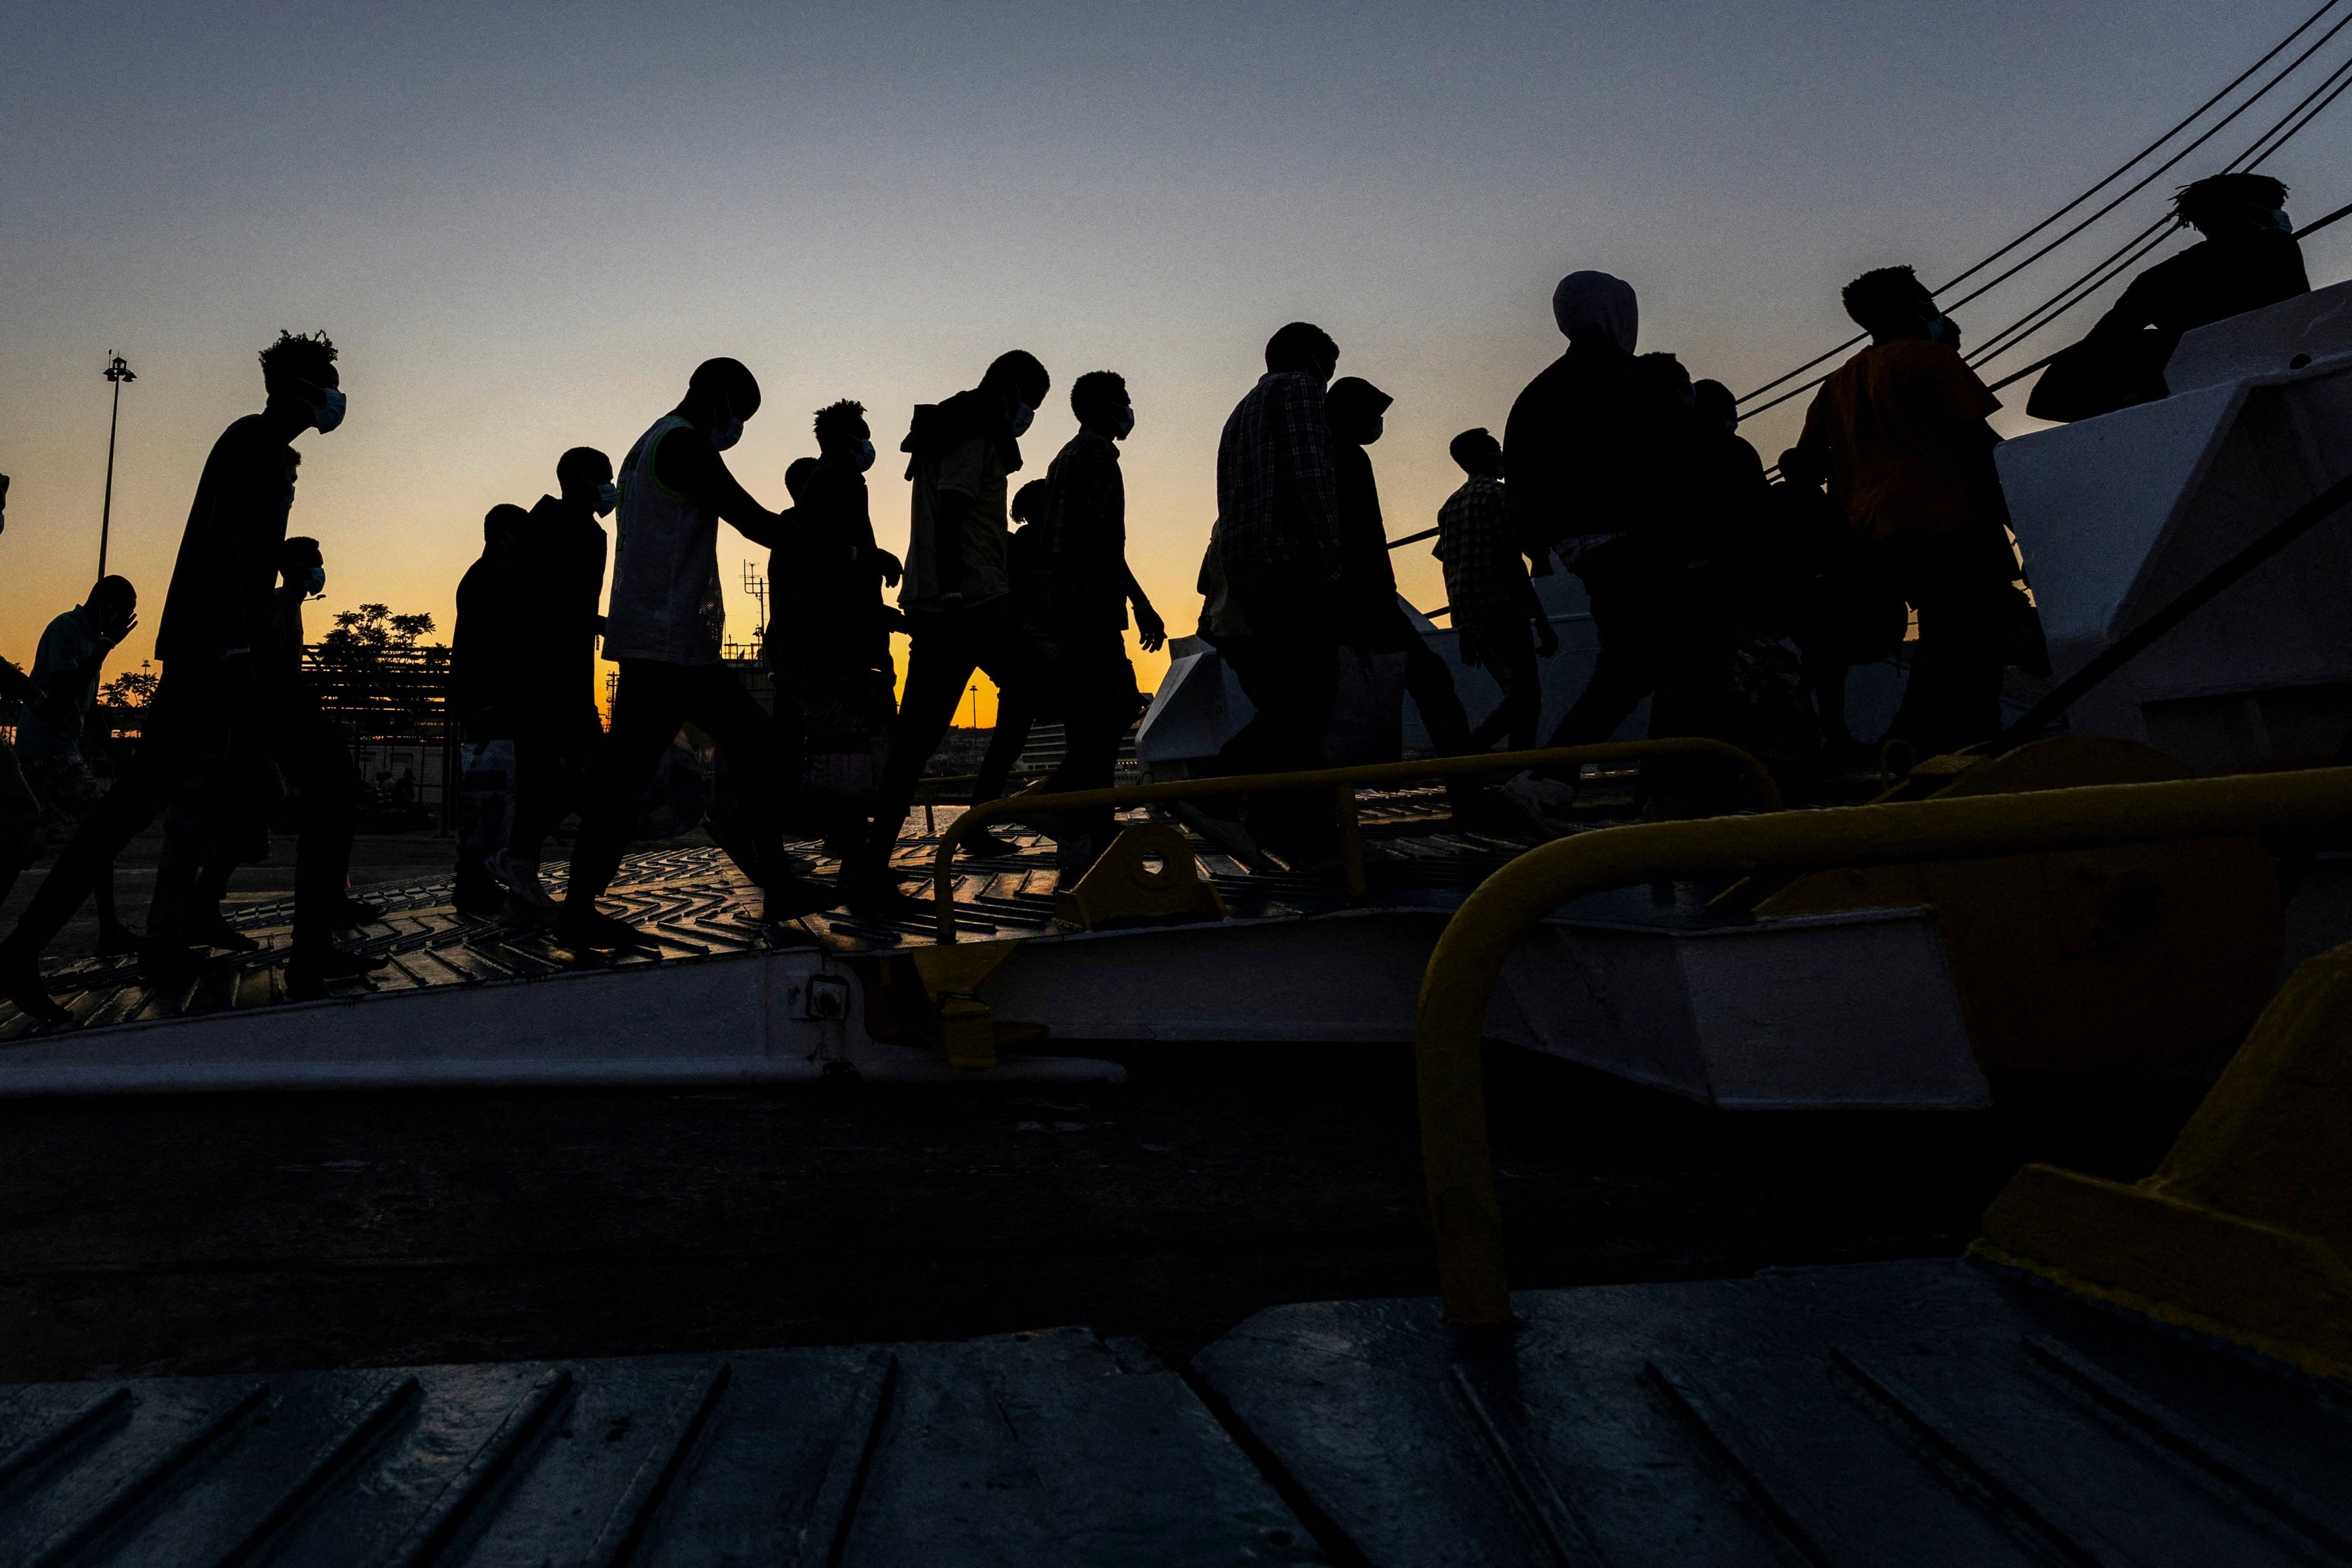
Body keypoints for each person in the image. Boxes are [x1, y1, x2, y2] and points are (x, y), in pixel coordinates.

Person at [1, 332, 378, 1023]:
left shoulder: (259, 447)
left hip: (214, 653)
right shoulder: (256, 447)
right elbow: (226, 554)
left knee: (131, 806)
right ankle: (312, 950)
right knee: (329, 779)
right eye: (326, 378)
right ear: (295, 385)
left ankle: (22, 951)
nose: (335, 393)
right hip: (225, 657)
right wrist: (235, 650)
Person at [556, 357, 835, 949]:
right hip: (671, 641)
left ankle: (581, 905)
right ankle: (771, 873)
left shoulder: (645, 444)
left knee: (628, 776)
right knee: (756, 743)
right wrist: (844, 554)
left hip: (652, 635)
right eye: (738, 413)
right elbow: (754, 519)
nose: (735, 428)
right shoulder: (685, 446)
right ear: (715, 396)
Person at [845, 350, 1121, 913]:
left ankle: (867, 863)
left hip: (940, 602)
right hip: (974, 603)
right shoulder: (977, 430)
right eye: (1033, 404)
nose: (1030, 417)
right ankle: (1062, 812)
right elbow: (952, 508)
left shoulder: (945, 428)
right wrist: (954, 592)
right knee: (1101, 700)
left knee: (914, 744)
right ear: (1014, 390)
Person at [1787, 266, 2029, 758]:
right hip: (1943, 518)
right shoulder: (1931, 360)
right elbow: (1977, 446)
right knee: (1968, 632)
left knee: (1958, 630)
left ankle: (1960, 740)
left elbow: (1802, 463)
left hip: (1874, 531)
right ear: (1919, 307)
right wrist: (2025, 509)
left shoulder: (1838, 382)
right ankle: (1926, 743)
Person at [1194, 322, 1349, 865]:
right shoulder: (1299, 390)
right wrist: (1332, 564)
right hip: (1292, 571)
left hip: (1249, 575)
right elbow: (1312, 480)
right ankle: (1213, 784)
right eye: (1330, 363)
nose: (1331, 375)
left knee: (1287, 701)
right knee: (1309, 701)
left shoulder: (1240, 412)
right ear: (1311, 358)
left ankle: (1286, 826)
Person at [2031, 174, 2311, 422]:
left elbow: (2053, 392)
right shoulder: (2275, 246)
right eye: (2273, 208)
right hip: (2274, 382)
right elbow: (2300, 320)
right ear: (2248, 212)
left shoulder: (2155, 280)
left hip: (2195, 400)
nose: (2278, 215)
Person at [1025, 369, 1165, 864]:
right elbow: (1101, 542)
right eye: (1123, 400)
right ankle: (1052, 803)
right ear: (1103, 406)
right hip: (1090, 608)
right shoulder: (1098, 456)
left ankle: (1089, 827)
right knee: (1114, 709)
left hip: (1068, 607)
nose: (1129, 409)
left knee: (1089, 723)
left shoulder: (1066, 457)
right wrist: (1139, 603)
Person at [1325, 377, 1484, 809]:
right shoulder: (1348, 459)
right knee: (1434, 684)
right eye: (1373, 415)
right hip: (1369, 603)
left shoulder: (1331, 458)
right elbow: (1362, 540)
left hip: (1356, 602)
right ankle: (1467, 795)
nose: (1378, 424)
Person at [765, 403, 902, 858]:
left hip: (839, 646)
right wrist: (870, 570)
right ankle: (855, 859)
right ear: (848, 438)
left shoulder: (835, 486)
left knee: (848, 749)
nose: (869, 443)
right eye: (863, 433)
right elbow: (827, 579)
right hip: (839, 652)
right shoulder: (834, 484)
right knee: (850, 748)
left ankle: (853, 850)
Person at [183, 535, 326, 953]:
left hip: (263, 728)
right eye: (314, 564)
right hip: (255, 729)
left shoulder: (290, 608)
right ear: (296, 569)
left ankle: (203, 903)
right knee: (266, 804)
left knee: (246, 814)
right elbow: (261, 667)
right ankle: (202, 904)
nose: (319, 571)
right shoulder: (279, 606)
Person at [498, 448, 617, 911]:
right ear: (582, 480)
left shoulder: (559, 527)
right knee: (579, 774)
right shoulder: (561, 529)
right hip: (549, 680)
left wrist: (594, 622)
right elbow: (540, 606)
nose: (611, 487)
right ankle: (520, 860)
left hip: (555, 676)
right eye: (604, 478)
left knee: (545, 780)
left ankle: (520, 882)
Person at [5, 576, 142, 955]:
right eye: (123, 614)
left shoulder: (90, 636)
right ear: (106, 605)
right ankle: (105, 928)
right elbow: (64, 687)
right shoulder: (67, 628)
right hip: (45, 748)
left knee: (37, 840)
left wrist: (110, 745)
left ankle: (106, 926)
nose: (121, 625)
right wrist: (104, 648)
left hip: (59, 746)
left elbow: (85, 698)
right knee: (101, 830)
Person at [1434, 429, 1555, 752]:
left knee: (1517, 696)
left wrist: (1460, 626)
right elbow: (1510, 561)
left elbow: (1450, 569)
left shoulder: (1449, 507)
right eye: (1497, 451)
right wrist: (1542, 620)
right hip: (1503, 608)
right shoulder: (1498, 496)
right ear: (1487, 457)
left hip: (1472, 615)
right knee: (1526, 697)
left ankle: (1518, 770)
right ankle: (1469, 753)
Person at [452, 504, 535, 913]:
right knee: (486, 798)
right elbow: (488, 648)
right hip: (488, 706)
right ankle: (473, 881)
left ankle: (476, 878)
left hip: (488, 704)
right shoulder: (490, 579)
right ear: (504, 535)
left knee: (491, 797)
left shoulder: (484, 576)